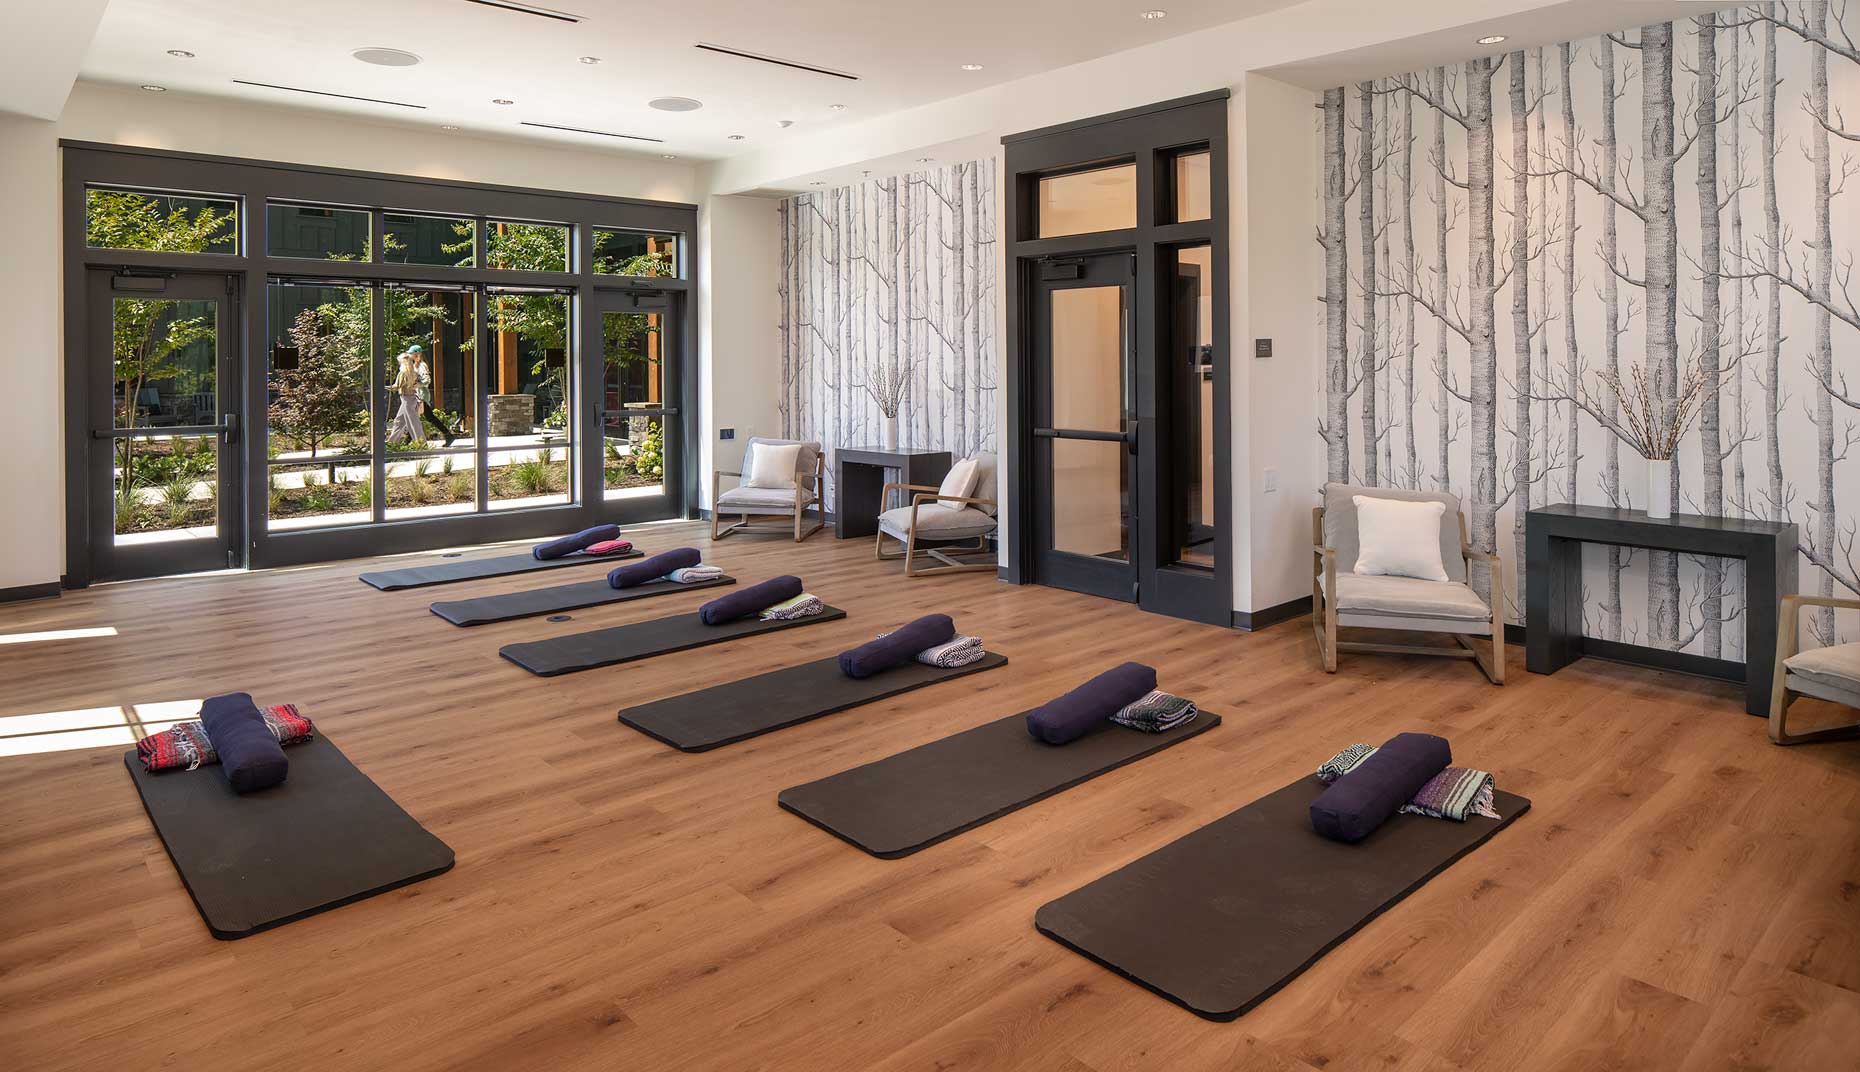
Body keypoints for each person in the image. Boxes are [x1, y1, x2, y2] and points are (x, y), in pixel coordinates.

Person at [411, 345, 455, 446]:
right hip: (418, 394)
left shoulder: (422, 366)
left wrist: (418, 385)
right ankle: (448, 435)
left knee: (415, 416)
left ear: (417, 354)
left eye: (412, 353)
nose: (410, 355)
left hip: (421, 395)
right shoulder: (415, 365)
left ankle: (409, 440)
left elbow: (427, 380)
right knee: (426, 416)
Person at [387, 352, 422, 445]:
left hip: (406, 399)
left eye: (400, 362)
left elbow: (396, 387)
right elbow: (420, 383)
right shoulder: (414, 372)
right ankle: (392, 443)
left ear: (403, 362)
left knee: (413, 422)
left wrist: (383, 387)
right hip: (412, 398)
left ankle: (421, 444)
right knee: (399, 421)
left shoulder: (402, 373)